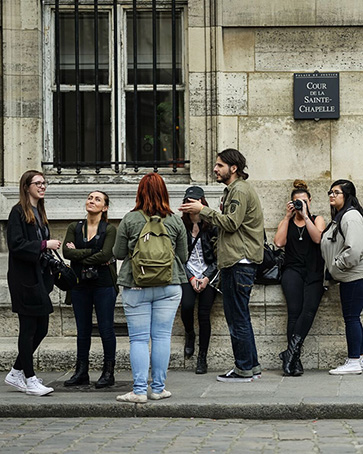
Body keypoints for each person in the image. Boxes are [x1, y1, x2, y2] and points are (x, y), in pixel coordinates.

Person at [179, 148, 264, 382]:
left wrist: (202, 210)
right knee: (241, 317)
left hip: (239, 262)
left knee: (237, 318)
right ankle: (252, 367)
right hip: (236, 261)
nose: (215, 169)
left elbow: (232, 223)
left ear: (233, 168)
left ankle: (243, 368)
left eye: (219, 165)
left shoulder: (239, 190)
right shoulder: (234, 190)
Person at [113, 173, 188, 403]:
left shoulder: (130, 219)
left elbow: (117, 253)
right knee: (162, 337)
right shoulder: (175, 221)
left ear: (140, 192)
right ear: (165, 192)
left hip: (136, 284)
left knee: (138, 339)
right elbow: (183, 256)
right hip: (169, 284)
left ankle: (138, 391)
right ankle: (157, 388)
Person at [5, 170, 61, 396]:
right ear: (26, 186)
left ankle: (17, 370)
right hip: (24, 280)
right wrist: (44, 245)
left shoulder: (39, 213)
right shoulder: (17, 212)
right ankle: (28, 379)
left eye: (44, 183)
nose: (42, 186)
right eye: (37, 183)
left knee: (42, 327)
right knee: (28, 329)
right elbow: (16, 245)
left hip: (38, 279)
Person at [62, 191, 118, 388]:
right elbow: (66, 251)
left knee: (106, 328)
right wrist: (92, 252)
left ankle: (108, 372)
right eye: (90, 198)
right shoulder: (74, 227)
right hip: (79, 284)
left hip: (103, 284)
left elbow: (106, 255)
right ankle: (81, 371)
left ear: (105, 207)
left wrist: (79, 254)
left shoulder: (109, 230)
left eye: (97, 199)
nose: (92, 201)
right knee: (82, 329)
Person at [274, 180, 325, 376]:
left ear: (310, 201)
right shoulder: (285, 221)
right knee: (294, 312)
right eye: (297, 202)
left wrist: (305, 216)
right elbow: (279, 243)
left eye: (304, 201)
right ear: (291, 203)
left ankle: (290, 354)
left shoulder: (317, 219)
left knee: (309, 310)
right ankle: (295, 359)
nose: (300, 204)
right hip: (292, 271)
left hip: (314, 272)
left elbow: (318, 239)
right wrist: (287, 217)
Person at [321, 179, 363, 375]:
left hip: (353, 276)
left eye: (336, 192)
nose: (331, 195)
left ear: (347, 196)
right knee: (353, 317)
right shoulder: (342, 216)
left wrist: (338, 265)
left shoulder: (350, 216)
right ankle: (359, 358)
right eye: (330, 191)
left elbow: (354, 250)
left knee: (352, 318)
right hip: (348, 276)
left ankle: (354, 360)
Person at [180, 186, 218, 374]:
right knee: (186, 306)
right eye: (188, 201)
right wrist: (192, 277)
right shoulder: (181, 227)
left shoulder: (212, 227)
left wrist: (207, 278)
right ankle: (189, 333)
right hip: (188, 273)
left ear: (202, 203)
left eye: (195, 201)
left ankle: (202, 357)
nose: (191, 205)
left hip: (209, 275)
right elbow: (178, 257)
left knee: (204, 315)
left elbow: (219, 257)